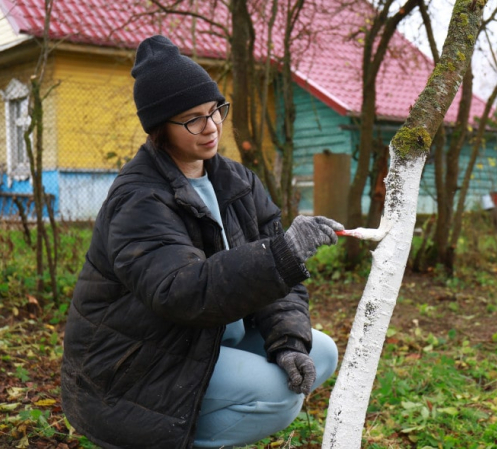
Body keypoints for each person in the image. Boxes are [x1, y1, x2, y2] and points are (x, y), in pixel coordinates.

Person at [60, 35, 343, 449]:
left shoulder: (237, 180)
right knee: (280, 399)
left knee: (320, 352)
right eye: (193, 119)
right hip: (141, 360)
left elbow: (275, 279)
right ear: (160, 128)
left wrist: (286, 341)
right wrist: (281, 254)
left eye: (215, 111)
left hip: (208, 338)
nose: (211, 127)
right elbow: (181, 291)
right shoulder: (139, 198)